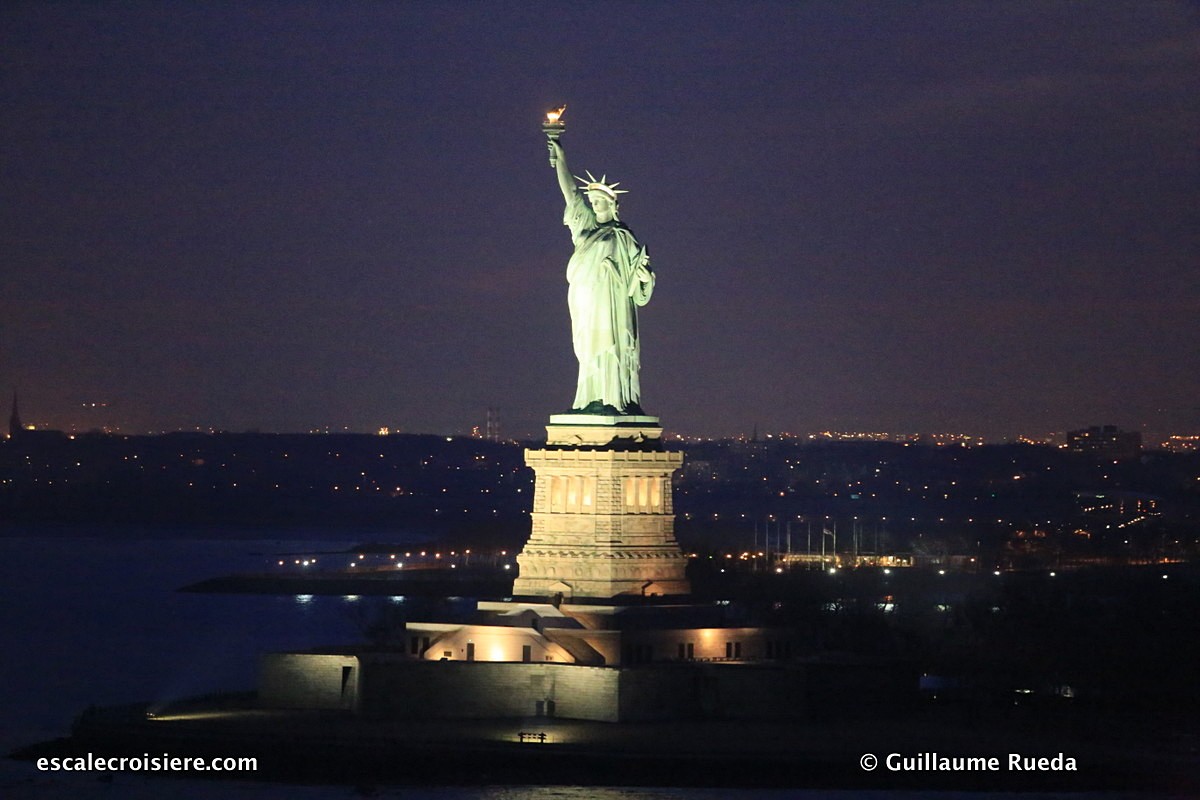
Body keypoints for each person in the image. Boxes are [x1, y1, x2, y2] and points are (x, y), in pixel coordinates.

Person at [548, 137, 654, 415]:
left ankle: (613, 398)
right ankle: (590, 398)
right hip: (587, 298)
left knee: (612, 346)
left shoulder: (623, 236)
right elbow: (571, 193)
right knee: (588, 348)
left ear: (612, 204)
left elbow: (639, 282)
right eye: (592, 201)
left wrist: (644, 278)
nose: (594, 205)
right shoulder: (584, 227)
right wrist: (561, 160)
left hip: (613, 302)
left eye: (599, 201)